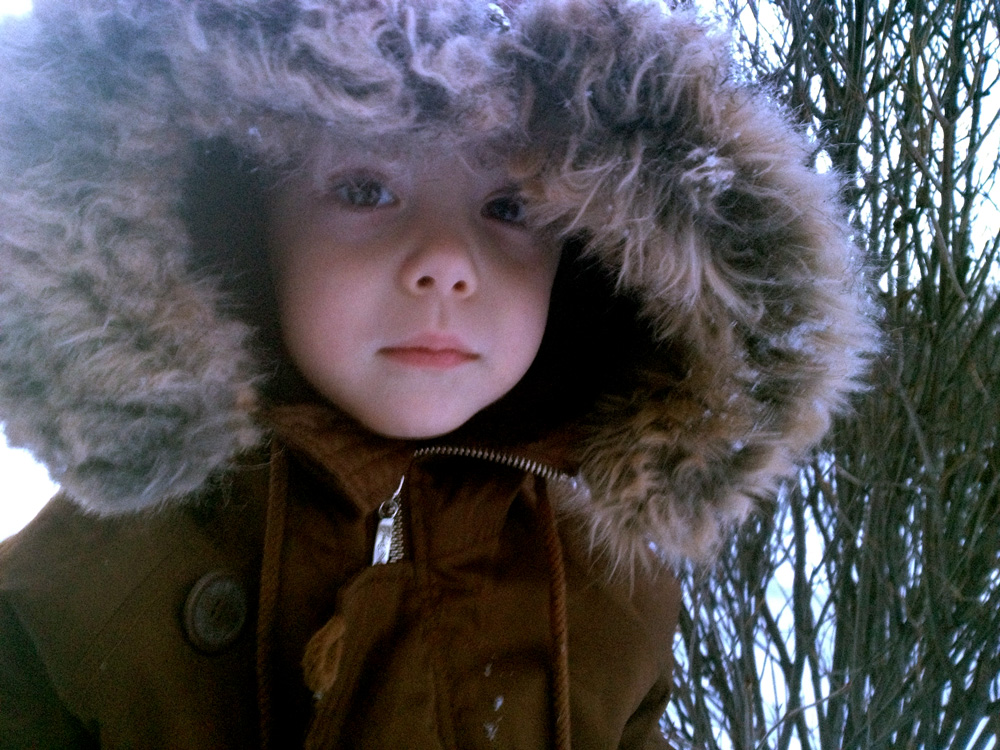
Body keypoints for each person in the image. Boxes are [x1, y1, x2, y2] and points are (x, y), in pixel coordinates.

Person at [0, 0, 877, 747]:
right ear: (237, 224)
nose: (446, 262)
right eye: (364, 189)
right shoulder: (91, 581)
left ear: (588, 261)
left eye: (506, 207)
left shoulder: (614, 591)